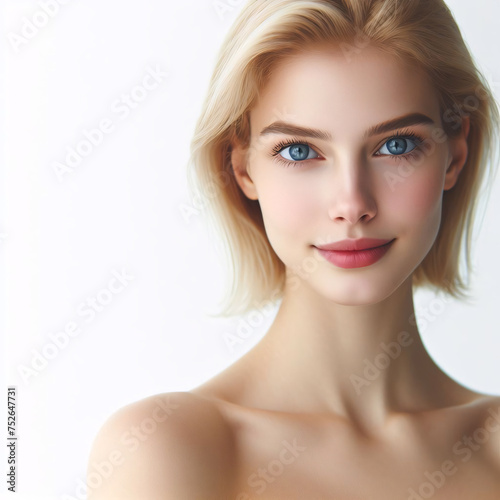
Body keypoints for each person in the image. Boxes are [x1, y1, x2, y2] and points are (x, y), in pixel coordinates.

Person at [87, 1, 500, 498]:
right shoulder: (168, 450)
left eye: (395, 146)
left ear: (455, 155)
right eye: (299, 151)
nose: (352, 204)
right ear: (242, 169)